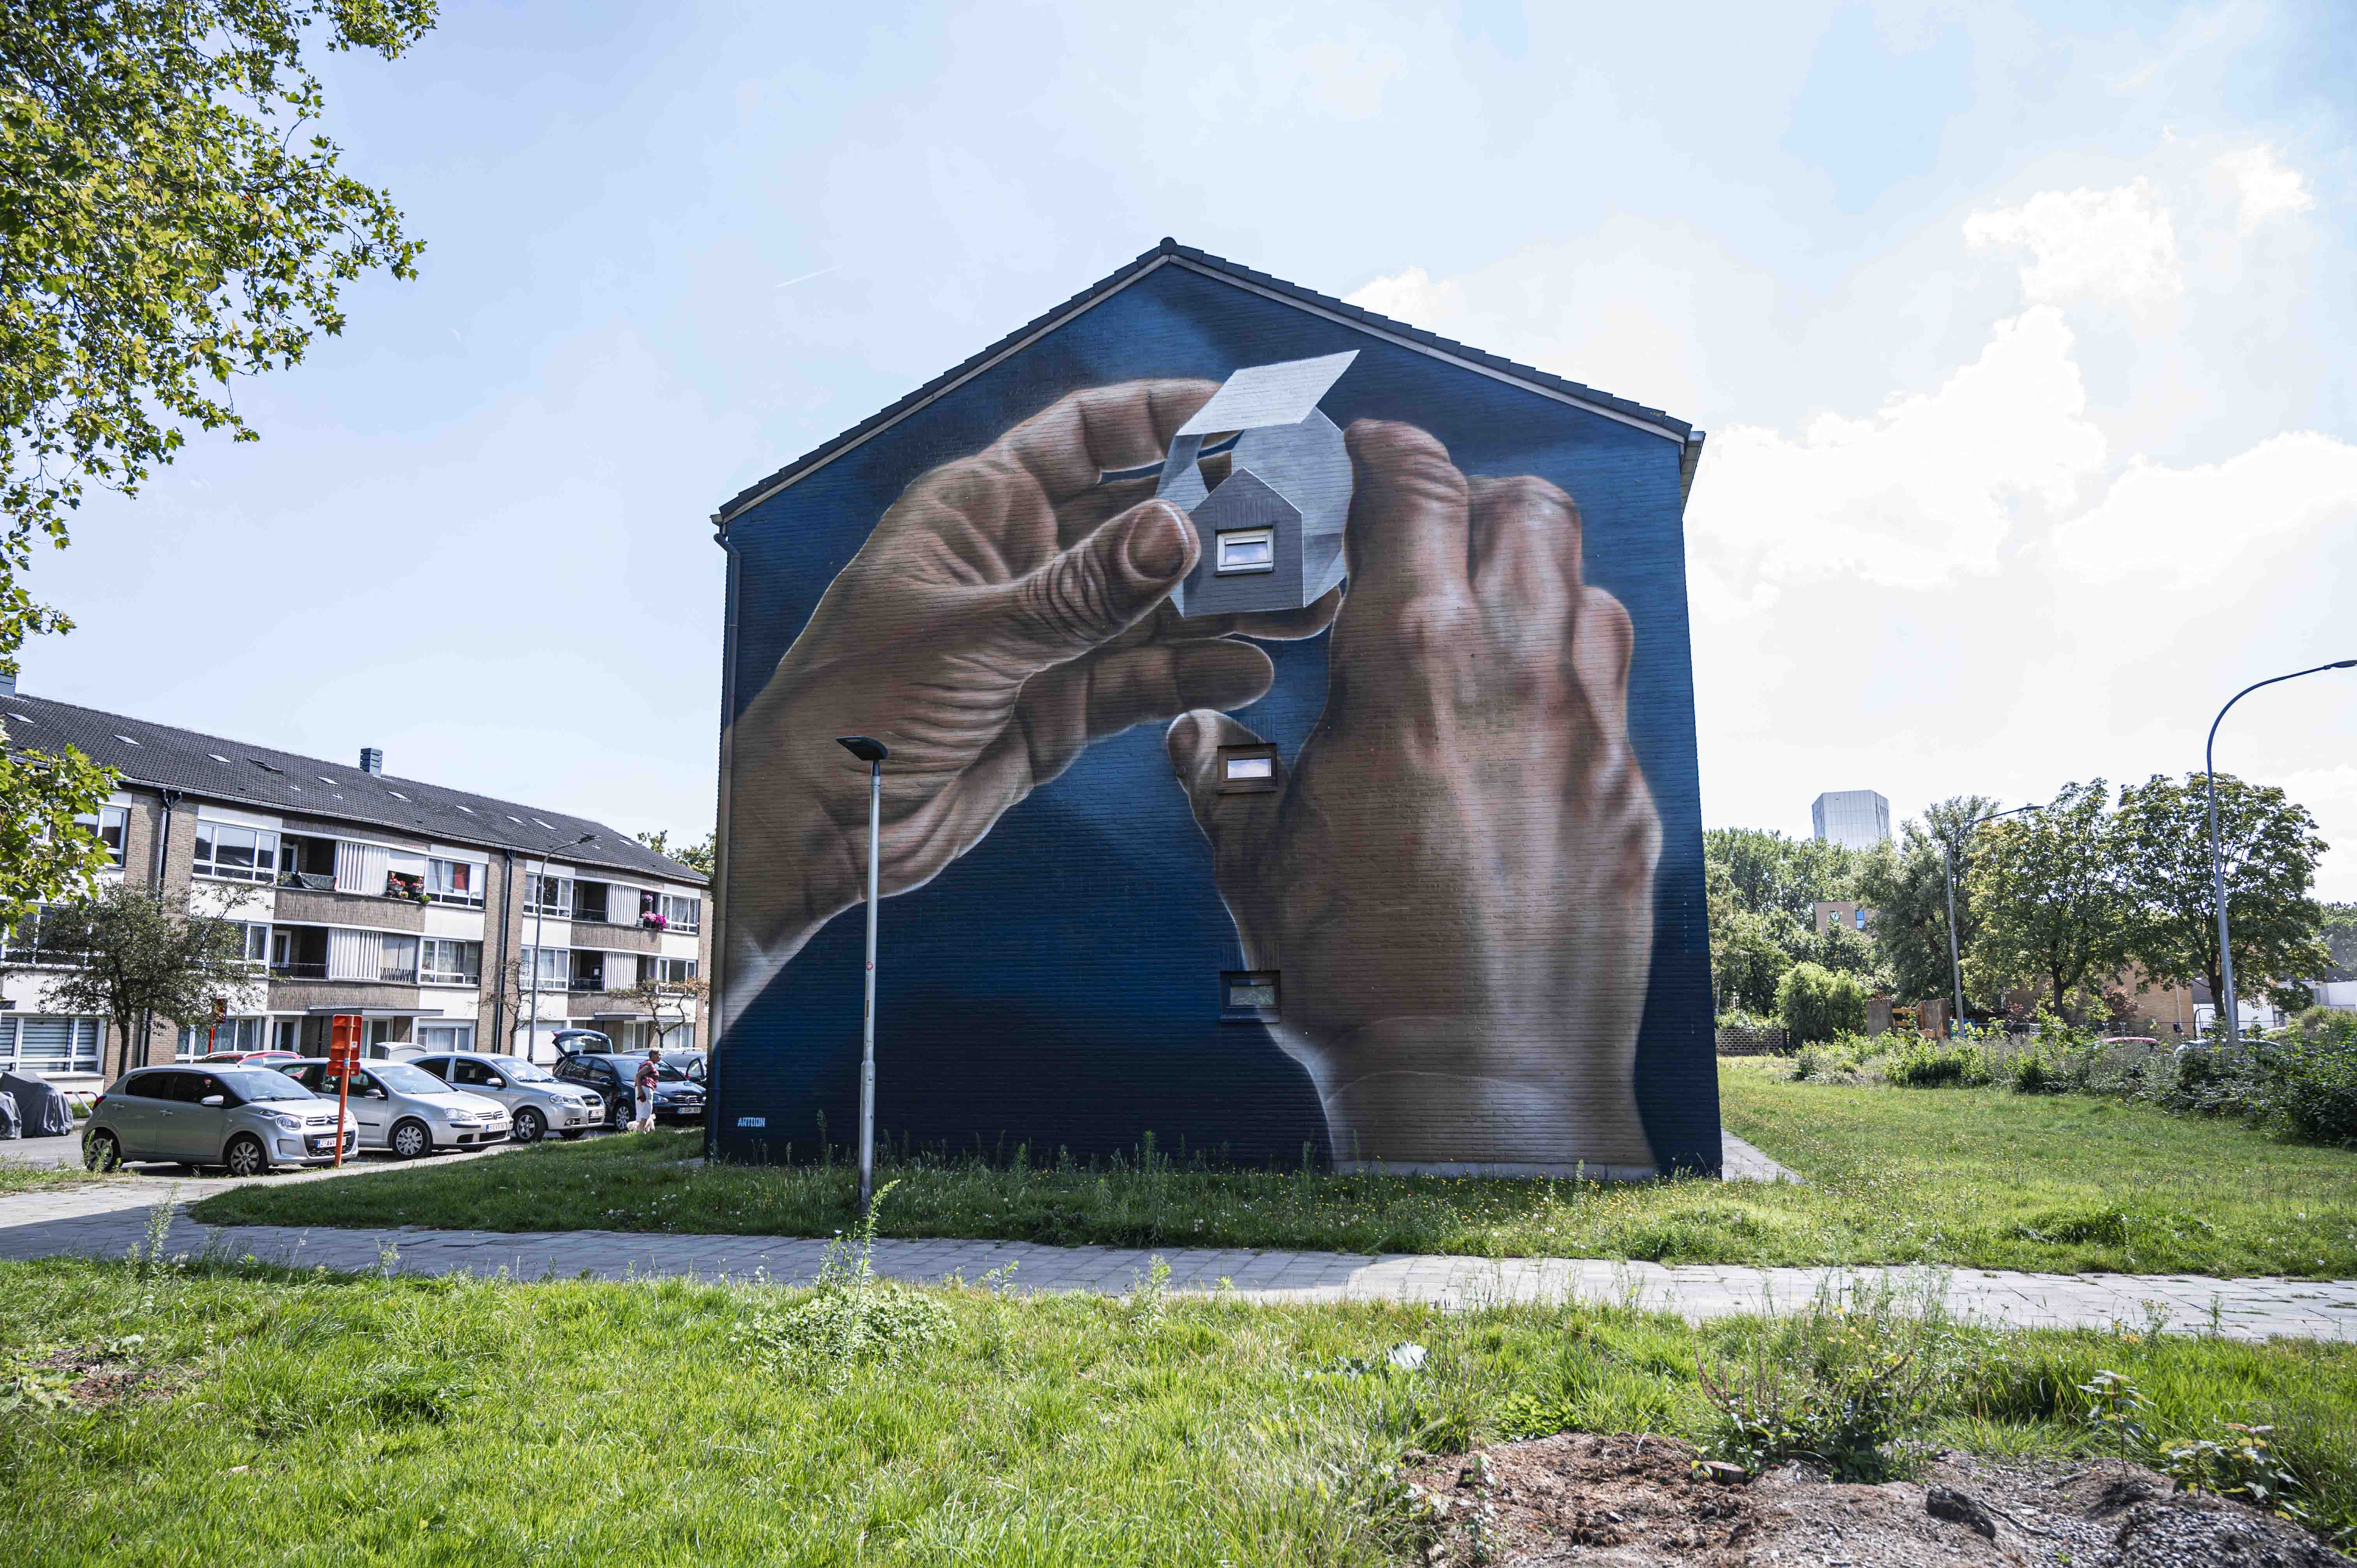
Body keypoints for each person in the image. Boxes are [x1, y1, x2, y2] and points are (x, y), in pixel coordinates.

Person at [632, 1049, 659, 1134]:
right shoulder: (650, 1065)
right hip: (646, 1089)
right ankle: (641, 1131)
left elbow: (637, 1077)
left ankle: (641, 1131)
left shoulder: (645, 1063)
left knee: (641, 1111)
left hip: (641, 1088)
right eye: (659, 1055)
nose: (660, 1057)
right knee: (647, 1111)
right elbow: (638, 1076)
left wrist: (639, 1090)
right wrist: (641, 1092)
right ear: (653, 1055)